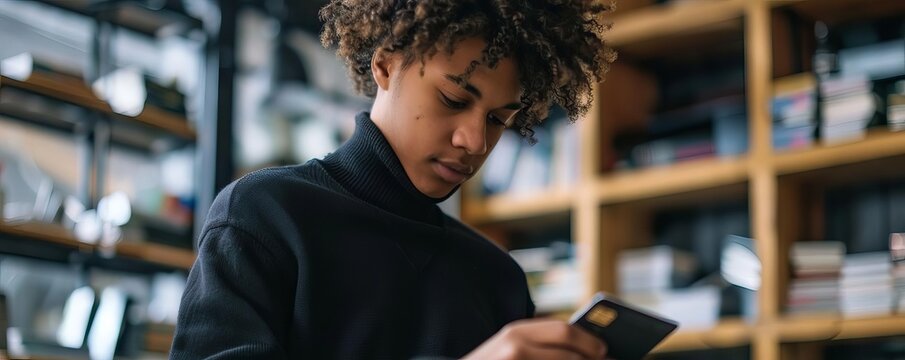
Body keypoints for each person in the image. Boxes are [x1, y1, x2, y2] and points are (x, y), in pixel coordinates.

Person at [171, 0, 615, 359]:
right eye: (453, 99)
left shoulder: (498, 280)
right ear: (385, 65)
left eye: (499, 119)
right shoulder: (265, 215)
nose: (475, 141)